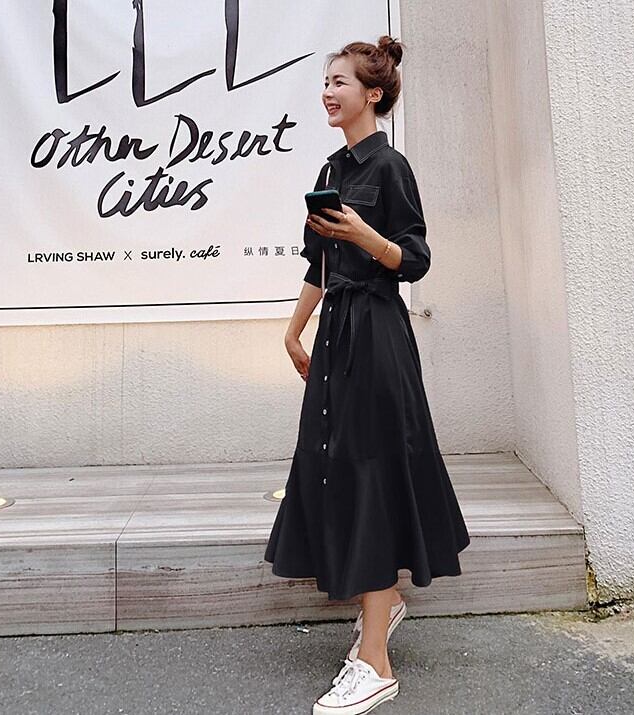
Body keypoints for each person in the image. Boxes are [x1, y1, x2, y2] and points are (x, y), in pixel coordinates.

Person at [263, 35, 470, 714]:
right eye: (325, 81)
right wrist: (294, 330)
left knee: (374, 470)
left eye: (340, 82)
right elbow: (317, 264)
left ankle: (375, 662)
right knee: (341, 468)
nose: (328, 91)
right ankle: (385, 607)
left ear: (373, 94)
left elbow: (414, 259)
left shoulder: (390, 166)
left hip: (378, 334)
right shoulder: (331, 167)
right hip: (337, 335)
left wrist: (365, 237)